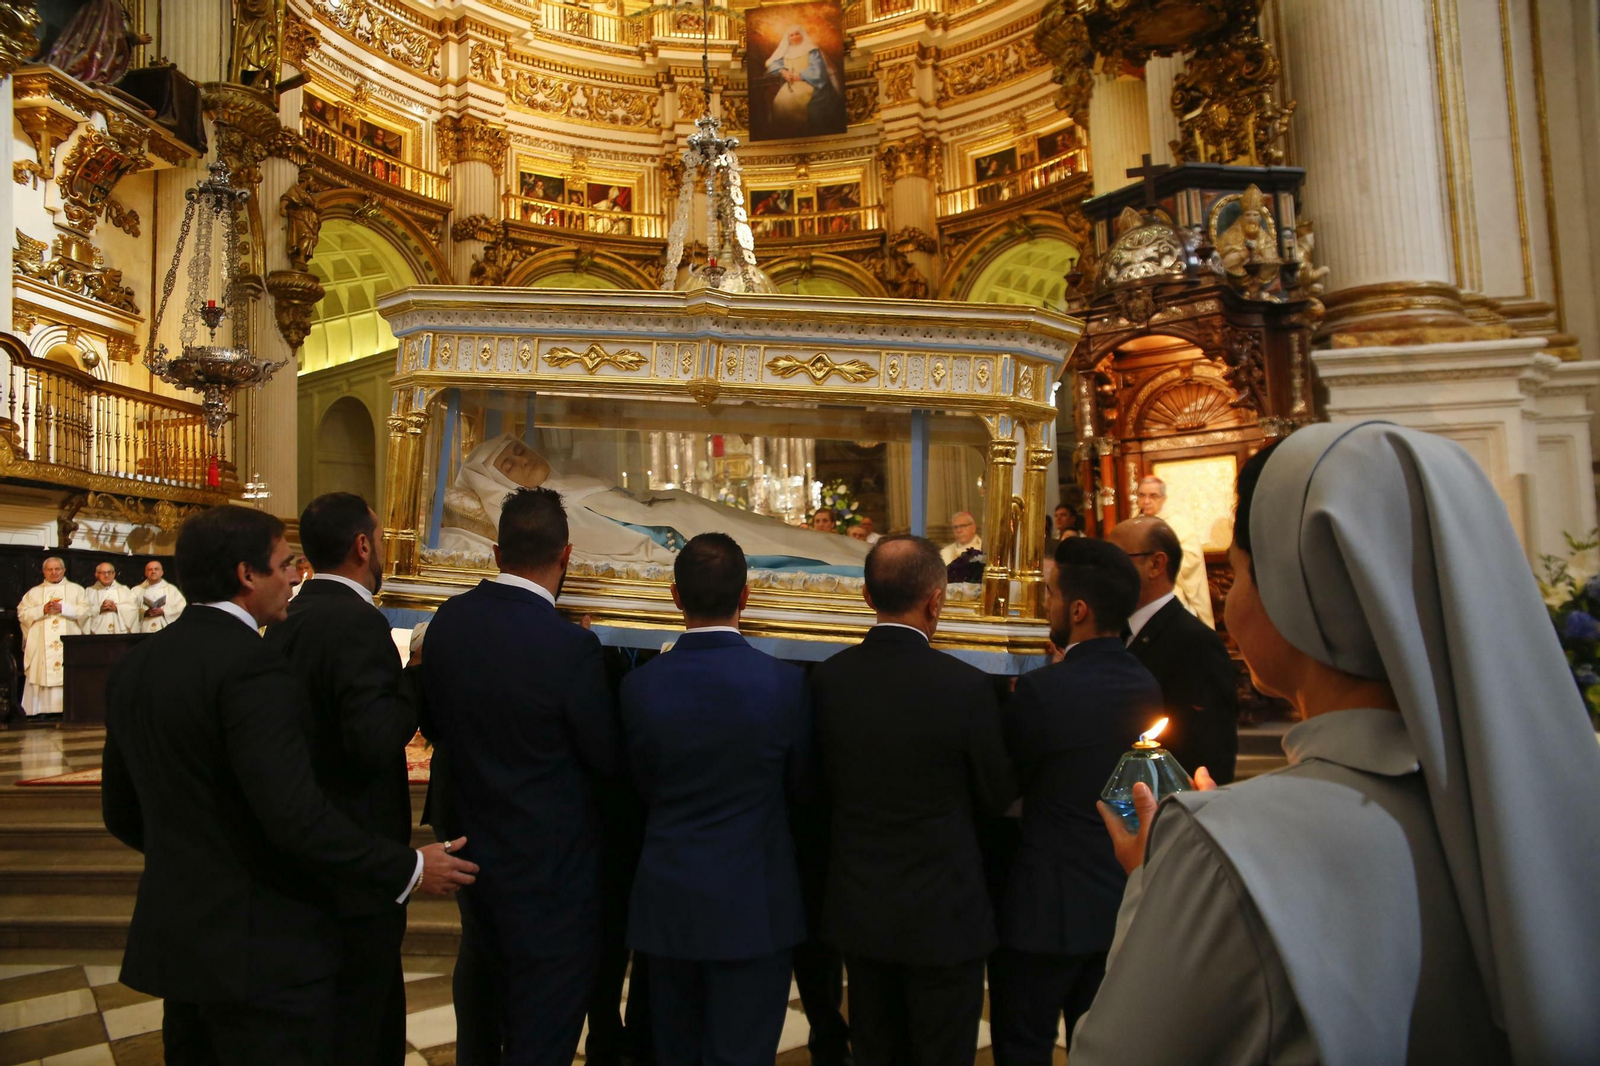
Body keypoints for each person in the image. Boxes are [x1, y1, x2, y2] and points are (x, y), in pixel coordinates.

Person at [1071, 422, 1600, 1064]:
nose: (1232, 603)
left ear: (1297, 593)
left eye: (1237, 575)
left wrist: (1154, 882)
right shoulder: (1564, 796)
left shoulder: (1222, 848)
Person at [100, 505, 476, 1066]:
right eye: (282, 565)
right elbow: (295, 816)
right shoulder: (252, 666)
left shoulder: (137, 663)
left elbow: (120, 811)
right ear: (247, 575)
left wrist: (195, 858)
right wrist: (411, 867)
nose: (293, 578)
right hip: (259, 947)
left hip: (180, 940)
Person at [420, 486, 622, 1066]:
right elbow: (603, 757)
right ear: (566, 556)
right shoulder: (571, 648)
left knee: (480, 1007)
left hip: (472, 856)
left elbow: (435, 724)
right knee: (544, 1028)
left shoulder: (449, 623)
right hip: (551, 872)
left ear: (494, 551)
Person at [810, 536, 1017, 1066]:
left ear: (865, 595)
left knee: (876, 1049)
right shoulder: (967, 688)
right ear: (936, 601)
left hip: (861, 905)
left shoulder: (829, 680)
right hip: (946, 910)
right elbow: (996, 795)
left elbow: (812, 789)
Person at [622, 533, 811, 1065]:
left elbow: (640, 786)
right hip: (756, 904)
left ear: (675, 597)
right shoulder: (784, 684)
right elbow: (801, 791)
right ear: (745, 596)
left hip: (669, 901)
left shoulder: (641, 687)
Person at [989, 538, 1162, 1065]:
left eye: (1050, 594)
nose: (1046, 605)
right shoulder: (1146, 684)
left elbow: (1004, 784)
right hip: (1116, 895)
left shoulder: (1042, 692)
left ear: (1078, 610)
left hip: (1043, 902)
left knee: (1024, 1045)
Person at [263, 493, 419, 1066]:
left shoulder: (290, 618)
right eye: (378, 538)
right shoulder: (356, 622)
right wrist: (414, 680)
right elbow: (374, 738)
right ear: (362, 546)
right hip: (359, 855)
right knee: (366, 1023)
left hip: (307, 847)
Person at [439, 435, 867, 570]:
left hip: (686, 514)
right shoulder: (545, 516)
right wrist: (672, 550)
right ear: (498, 483)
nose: (522, 459)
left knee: (784, 535)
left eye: (518, 448)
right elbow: (621, 542)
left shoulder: (569, 482)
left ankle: (867, 557)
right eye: (508, 464)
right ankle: (861, 566)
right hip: (685, 539)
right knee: (792, 553)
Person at [1108, 516, 1240, 783]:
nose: (1106, 572)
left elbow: (1211, 750)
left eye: (1117, 560)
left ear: (1156, 564)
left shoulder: (1195, 641)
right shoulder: (1118, 631)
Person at [1133, 477, 1214, 628]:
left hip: (1171, 590)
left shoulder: (1179, 525)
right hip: (1140, 593)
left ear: (1164, 499)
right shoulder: (1132, 524)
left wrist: (1159, 566)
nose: (1146, 501)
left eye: (1153, 496)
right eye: (1142, 495)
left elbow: (1192, 559)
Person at [17, 557, 86, 717]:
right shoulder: (34, 592)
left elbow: (86, 611)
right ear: (44, 572)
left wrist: (64, 608)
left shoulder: (76, 590)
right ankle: (41, 710)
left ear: (64, 570)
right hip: (41, 642)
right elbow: (23, 613)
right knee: (40, 669)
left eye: (57, 569)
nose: (53, 572)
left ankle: (68, 708)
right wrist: (42, 609)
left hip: (69, 640)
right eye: (50, 569)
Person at [763, 25, 843, 135]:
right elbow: (773, 63)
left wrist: (799, 77)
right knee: (780, 102)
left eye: (797, 34)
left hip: (811, 83)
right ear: (788, 38)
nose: (795, 37)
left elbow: (818, 71)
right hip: (791, 85)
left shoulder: (811, 50)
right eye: (791, 35)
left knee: (794, 103)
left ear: (802, 34)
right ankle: (789, 134)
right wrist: (784, 72)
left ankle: (802, 131)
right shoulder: (785, 51)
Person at [82, 562, 138, 635]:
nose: (106, 575)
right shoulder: (89, 591)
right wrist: (99, 609)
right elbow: (83, 611)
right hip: (96, 635)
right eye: (103, 573)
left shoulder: (124, 590)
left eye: (109, 572)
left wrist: (116, 608)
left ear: (114, 574)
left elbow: (133, 609)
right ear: (96, 574)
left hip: (120, 634)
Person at [132, 558, 187, 632]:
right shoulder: (136, 590)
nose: (153, 571)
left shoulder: (172, 590)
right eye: (150, 569)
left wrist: (164, 611)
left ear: (162, 572)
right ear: (145, 573)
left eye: (156, 569)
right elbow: (129, 610)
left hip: (164, 628)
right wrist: (144, 613)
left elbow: (182, 607)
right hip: (144, 629)